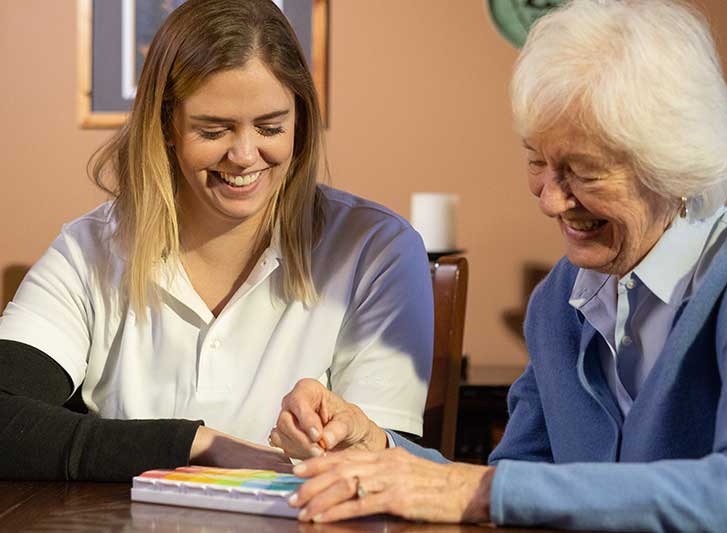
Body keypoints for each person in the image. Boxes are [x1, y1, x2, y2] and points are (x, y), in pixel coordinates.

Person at [271, 0, 727, 530]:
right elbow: (513, 481)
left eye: (583, 172)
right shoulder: (561, 301)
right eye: (536, 161)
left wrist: (488, 491)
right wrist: (373, 446)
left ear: (674, 164)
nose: (550, 200)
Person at [0, 0, 432, 481]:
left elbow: (387, 465)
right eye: (213, 130)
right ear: (166, 127)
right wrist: (197, 443)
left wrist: (353, 438)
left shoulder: (376, 249)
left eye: (271, 127)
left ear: (301, 121)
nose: (245, 156)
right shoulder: (89, 251)